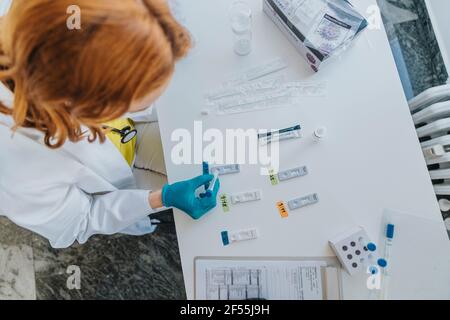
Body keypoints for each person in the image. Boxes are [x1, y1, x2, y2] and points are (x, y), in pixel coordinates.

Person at [0, 0, 220, 248]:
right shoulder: (17, 166)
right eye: (134, 102)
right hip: (112, 186)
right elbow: (80, 220)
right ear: (85, 108)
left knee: (210, 158)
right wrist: (160, 199)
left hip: (123, 135)